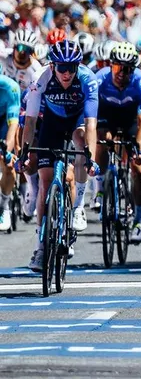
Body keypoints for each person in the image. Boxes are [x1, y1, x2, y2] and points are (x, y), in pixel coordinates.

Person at [20, 39, 100, 271]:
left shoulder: (87, 79)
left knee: (80, 139)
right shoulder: (41, 78)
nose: (66, 73)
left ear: (78, 67)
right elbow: (31, 121)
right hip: (52, 123)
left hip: (76, 121)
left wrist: (90, 157)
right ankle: (41, 246)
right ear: (52, 66)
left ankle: (78, 207)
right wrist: (24, 153)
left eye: (71, 68)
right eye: (61, 68)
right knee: (46, 182)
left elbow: (91, 124)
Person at [94, 42, 141, 242]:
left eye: (126, 69)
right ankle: (101, 190)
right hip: (107, 116)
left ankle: (138, 219)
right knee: (102, 143)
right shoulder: (99, 79)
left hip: (131, 120)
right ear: (111, 66)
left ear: (133, 69)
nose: (121, 73)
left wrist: (140, 148)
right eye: (117, 67)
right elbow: (91, 114)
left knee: (140, 170)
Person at [0, 67, 21, 232]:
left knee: (7, 164)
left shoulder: (11, 88)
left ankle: (4, 205)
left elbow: (13, 124)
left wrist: (7, 150)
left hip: (4, 123)